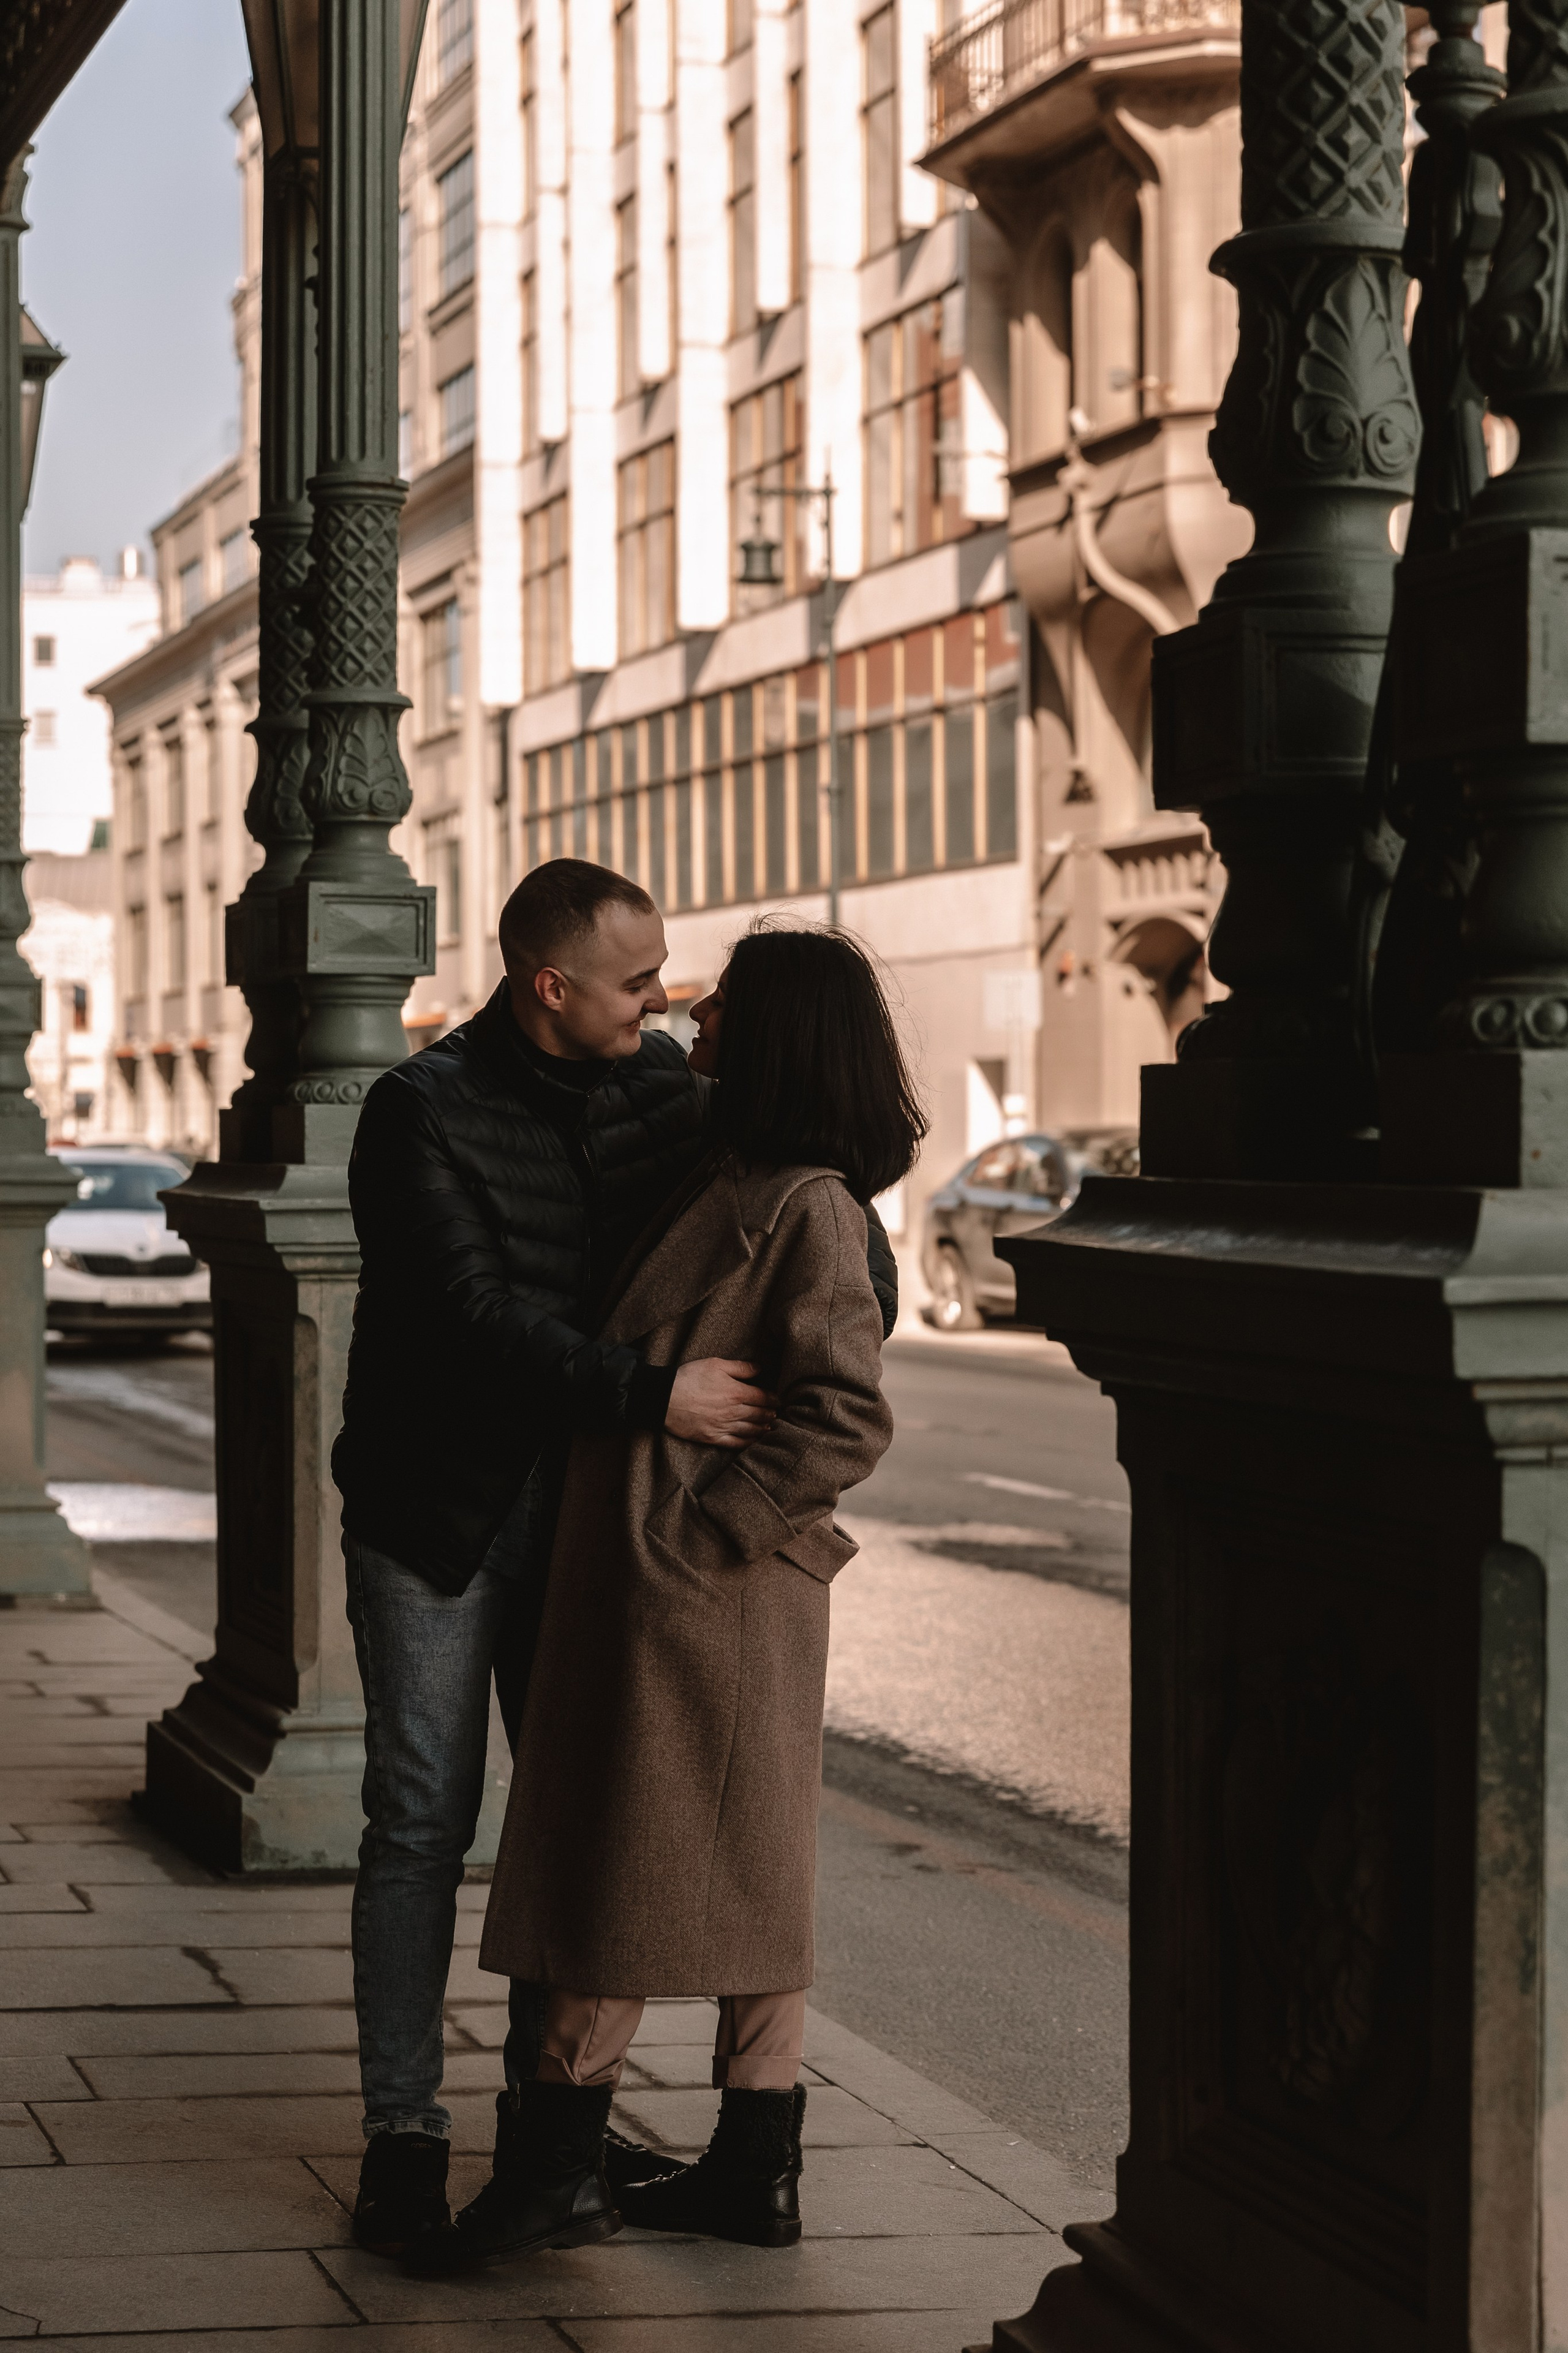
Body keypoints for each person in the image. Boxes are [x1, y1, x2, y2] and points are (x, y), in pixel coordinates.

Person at [335, 863, 897, 2259]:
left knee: (597, 1827)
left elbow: (834, 1256)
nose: (665, 1006)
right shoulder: (419, 1109)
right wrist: (657, 1403)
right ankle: (407, 2132)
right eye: (640, 982)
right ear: (551, 986)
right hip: (448, 1505)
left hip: (618, 1529)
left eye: (679, 990)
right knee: (423, 1819)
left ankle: (558, 2143)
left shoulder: (675, 1093)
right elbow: (463, 1312)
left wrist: (700, 1505)